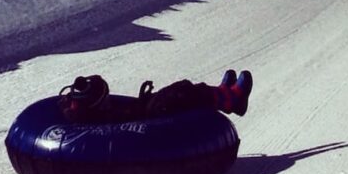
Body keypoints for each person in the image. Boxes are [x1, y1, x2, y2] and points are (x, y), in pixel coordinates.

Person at [59, 71, 254, 123]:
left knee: (180, 88)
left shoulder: (79, 112)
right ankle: (233, 100)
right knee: (181, 93)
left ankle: (222, 93)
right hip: (144, 121)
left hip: (139, 112)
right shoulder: (94, 120)